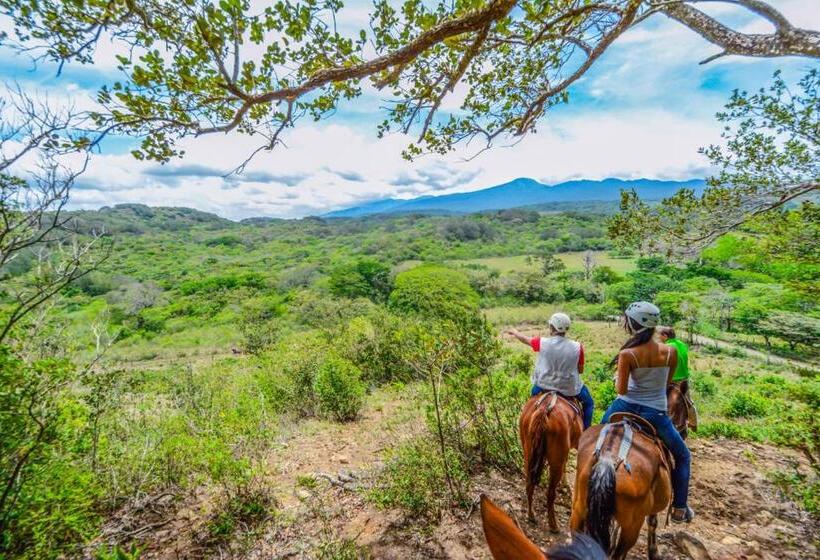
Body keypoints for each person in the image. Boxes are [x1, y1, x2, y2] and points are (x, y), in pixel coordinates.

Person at [601, 302, 694, 523]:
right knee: (683, 456)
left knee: (594, 435)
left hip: (624, 408)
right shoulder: (670, 351)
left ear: (632, 324)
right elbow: (667, 383)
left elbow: (621, 390)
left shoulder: (628, 354)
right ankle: (680, 508)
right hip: (656, 413)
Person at [507, 312, 594, 430]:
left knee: (531, 404)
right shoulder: (578, 347)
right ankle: (585, 433)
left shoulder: (542, 342)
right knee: (589, 404)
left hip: (543, 386)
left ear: (551, 327)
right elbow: (581, 370)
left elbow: (525, 339)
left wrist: (515, 332)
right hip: (569, 388)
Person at [659, 326, 698, 429]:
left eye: (660, 335)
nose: (659, 338)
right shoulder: (682, 344)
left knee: (665, 402)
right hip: (684, 377)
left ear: (665, 335)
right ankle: (693, 423)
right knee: (688, 401)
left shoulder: (668, 347)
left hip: (673, 378)